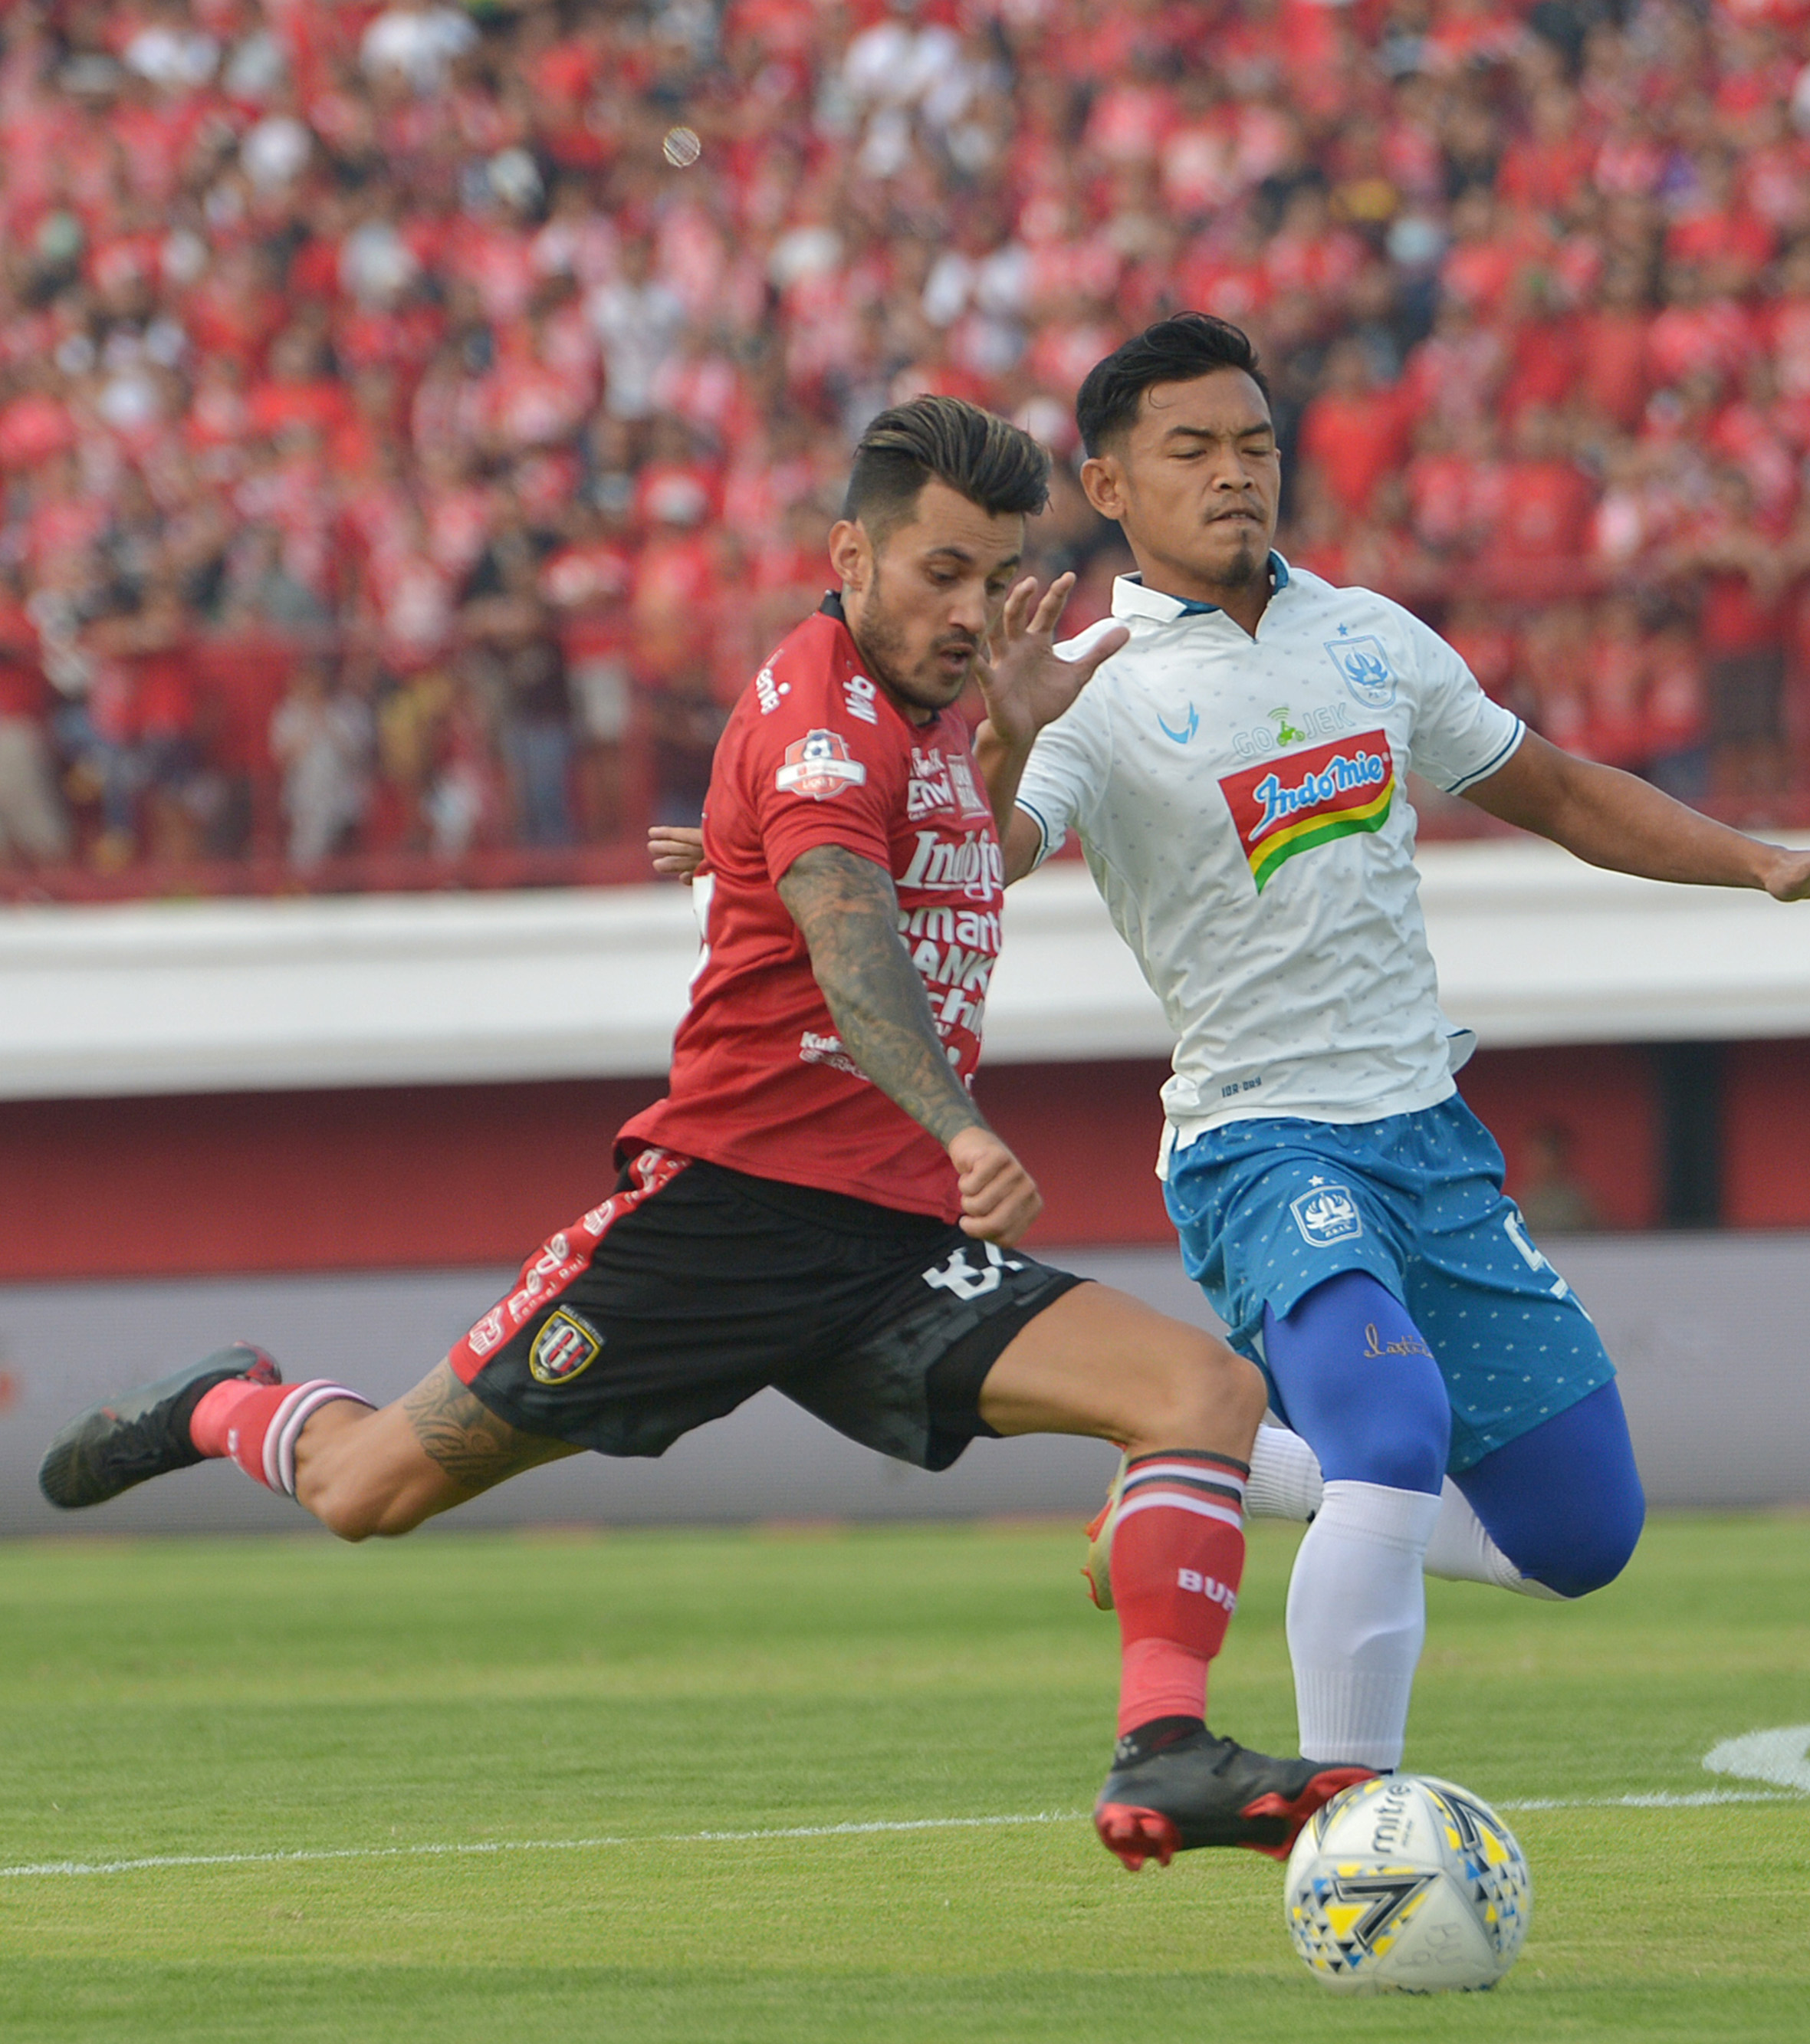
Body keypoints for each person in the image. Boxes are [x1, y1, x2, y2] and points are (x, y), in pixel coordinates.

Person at [38, 397, 1365, 1870]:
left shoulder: (937, 721)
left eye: (995, 579)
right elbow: (855, 953)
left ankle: (1164, 1750)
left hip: (886, 1252)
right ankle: (223, 1402)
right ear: (849, 555)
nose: (971, 610)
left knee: (1199, 1389)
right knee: (369, 1492)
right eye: (940, 573)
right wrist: (961, 1126)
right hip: (724, 1221)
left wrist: (1009, 736)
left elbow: (936, 880)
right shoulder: (817, 712)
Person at [671, 315, 1810, 1776]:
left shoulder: (1371, 637)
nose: (1235, 476)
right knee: (1392, 1435)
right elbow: (977, 854)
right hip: (1258, 1140)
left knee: (1584, 1533)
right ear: (1110, 487)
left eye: (1256, 446)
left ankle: (1227, 1467)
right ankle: (1352, 1817)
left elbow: (1564, 792)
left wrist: (1763, 865)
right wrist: (960, 755)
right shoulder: (1090, 678)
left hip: (1430, 1138)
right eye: (1191, 451)